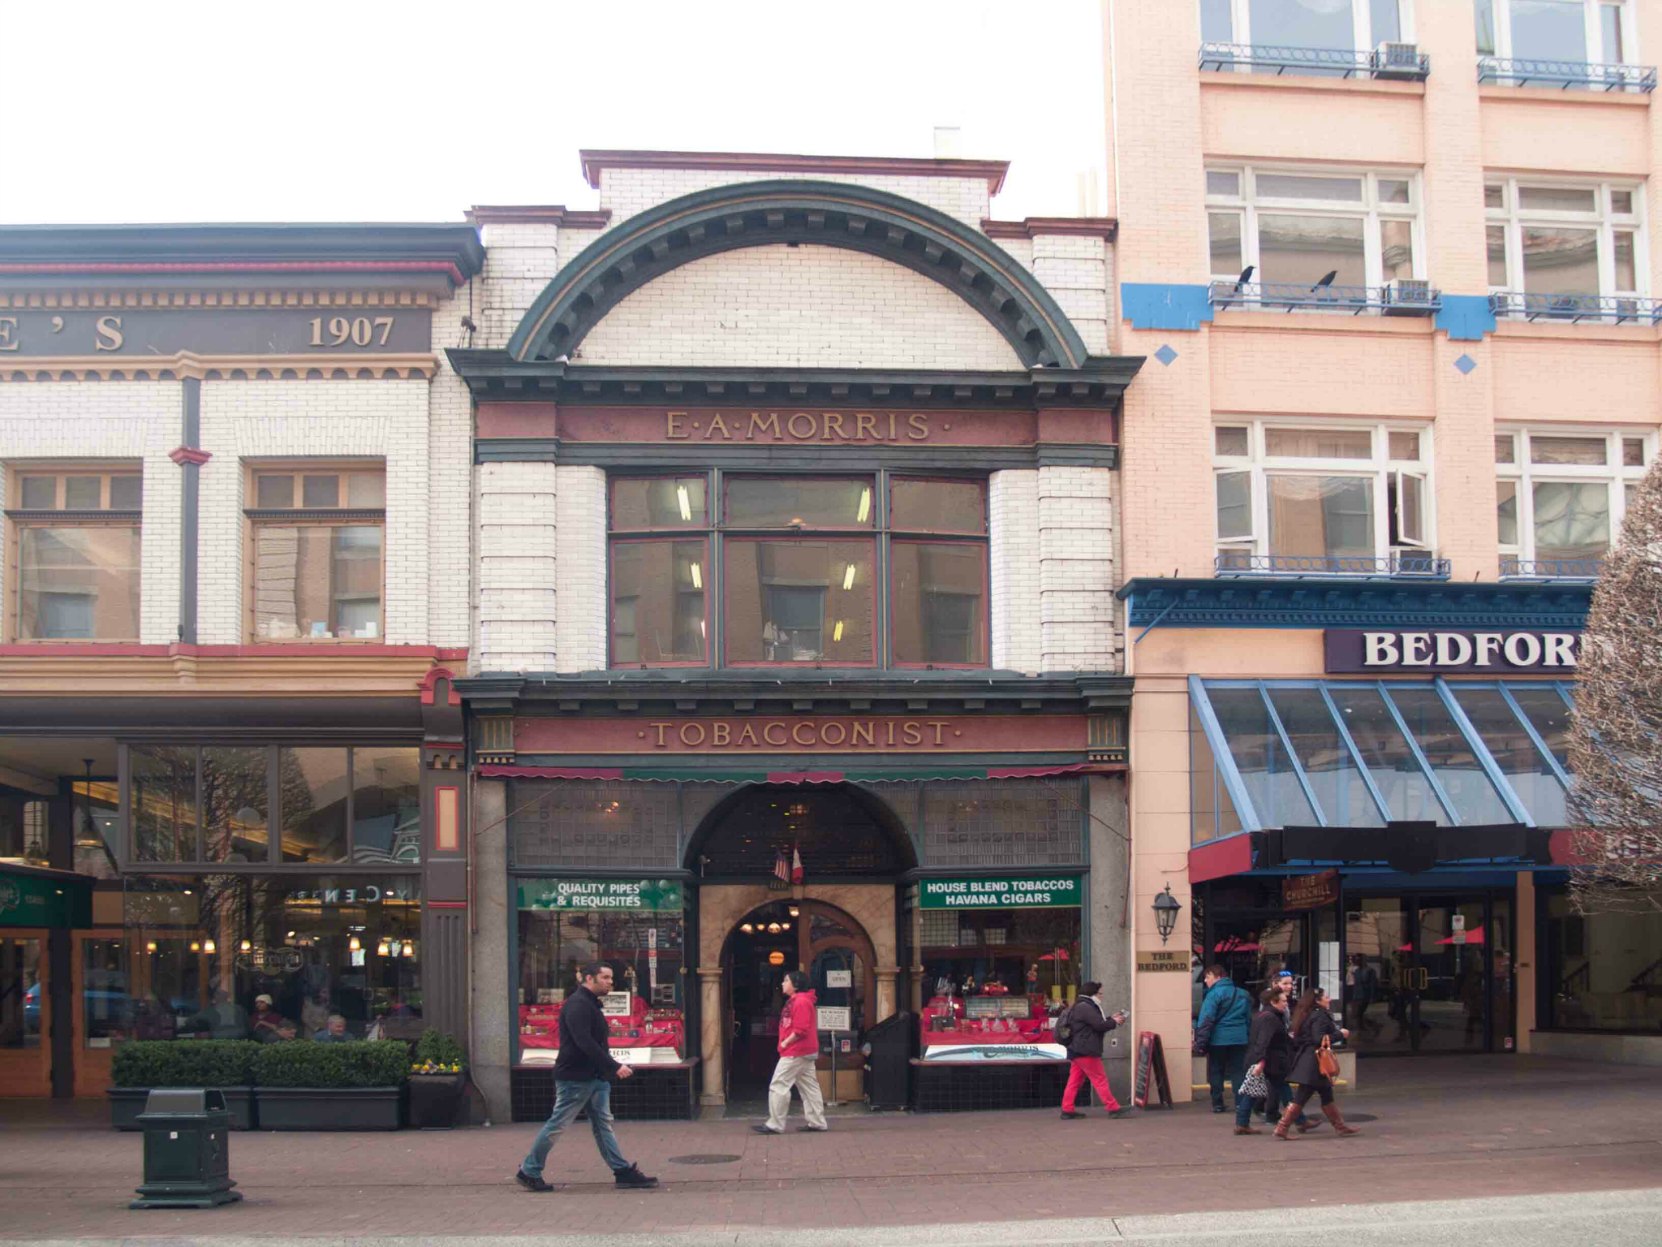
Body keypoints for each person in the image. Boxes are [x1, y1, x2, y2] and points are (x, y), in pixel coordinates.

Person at [515, 962, 658, 1192]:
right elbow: (585, 1043)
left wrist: (607, 1069)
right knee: (558, 1124)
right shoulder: (578, 1005)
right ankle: (529, 1170)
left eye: (611, 978)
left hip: (596, 1077)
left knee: (603, 1125)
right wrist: (614, 1066)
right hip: (576, 1078)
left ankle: (622, 1171)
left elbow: (594, 1042)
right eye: (605, 978)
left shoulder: (589, 1003)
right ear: (589, 979)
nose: (610, 982)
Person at [1275, 987, 1360, 1138]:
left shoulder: (1305, 1014)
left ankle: (1340, 1126)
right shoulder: (1319, 1016)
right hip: (1314, 1063)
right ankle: (1282, 1127)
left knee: (1326, 1093)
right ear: (1318, 1000)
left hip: (1310, 1061)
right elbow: (1318, 1038)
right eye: (1326, 996)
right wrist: (1340, 1034)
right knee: (1302, 1096)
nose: (1329, 999)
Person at [753, 970, 828, 1135]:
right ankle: (817, 1122)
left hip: (796, 1051)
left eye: (786, 981)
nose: (782, 984)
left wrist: (785, 1043)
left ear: (795, 984)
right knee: (809, 1087)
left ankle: (775, 1124)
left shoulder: (800, 1002)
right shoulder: (801, 1001)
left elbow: (800, 1029)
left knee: (779, 1084)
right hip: (804, 1051)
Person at [1060, 981, 1130, 1120]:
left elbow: (1096, 1023)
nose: (1101, 996)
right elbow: (1099, 1025)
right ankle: (1113, 1108)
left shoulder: (1081, 1005)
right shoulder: (1086, 1007)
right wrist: (1115, 1022)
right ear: (1092, 994)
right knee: (1100, 1079)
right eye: (1099, 993)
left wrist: (1112, 1019)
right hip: (1086, 1050)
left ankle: (1067, 1109)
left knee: (1074, 1081)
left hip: (1077, 1049)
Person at [1235, 987, 1293, 1136]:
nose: (1286, 1004)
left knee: (1253, 1091)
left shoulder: (1262, 1015)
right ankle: (1299, 1119)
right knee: (1283, 1090)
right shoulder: (1270, 1018)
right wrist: (1260, 1061)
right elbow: (1263, 1041)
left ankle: (1242, 1123)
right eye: (1284, 1001)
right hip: (1270, 1061)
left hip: (1266, 1060)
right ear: (1274, 1002)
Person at [1194, 965, 1252, 1114]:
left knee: (1216, 1070)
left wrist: (1200, 1041)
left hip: (1218, 1039)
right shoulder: (1243, 994)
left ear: (1217, 976)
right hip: (1239, 1038)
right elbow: (1248, 1019)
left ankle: (1217, 1103)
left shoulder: (1213, 995)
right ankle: (1240, 1103)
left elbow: (1206, 1019)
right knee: (1238, 1071)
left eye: (1208, 977)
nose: (1206, 980)